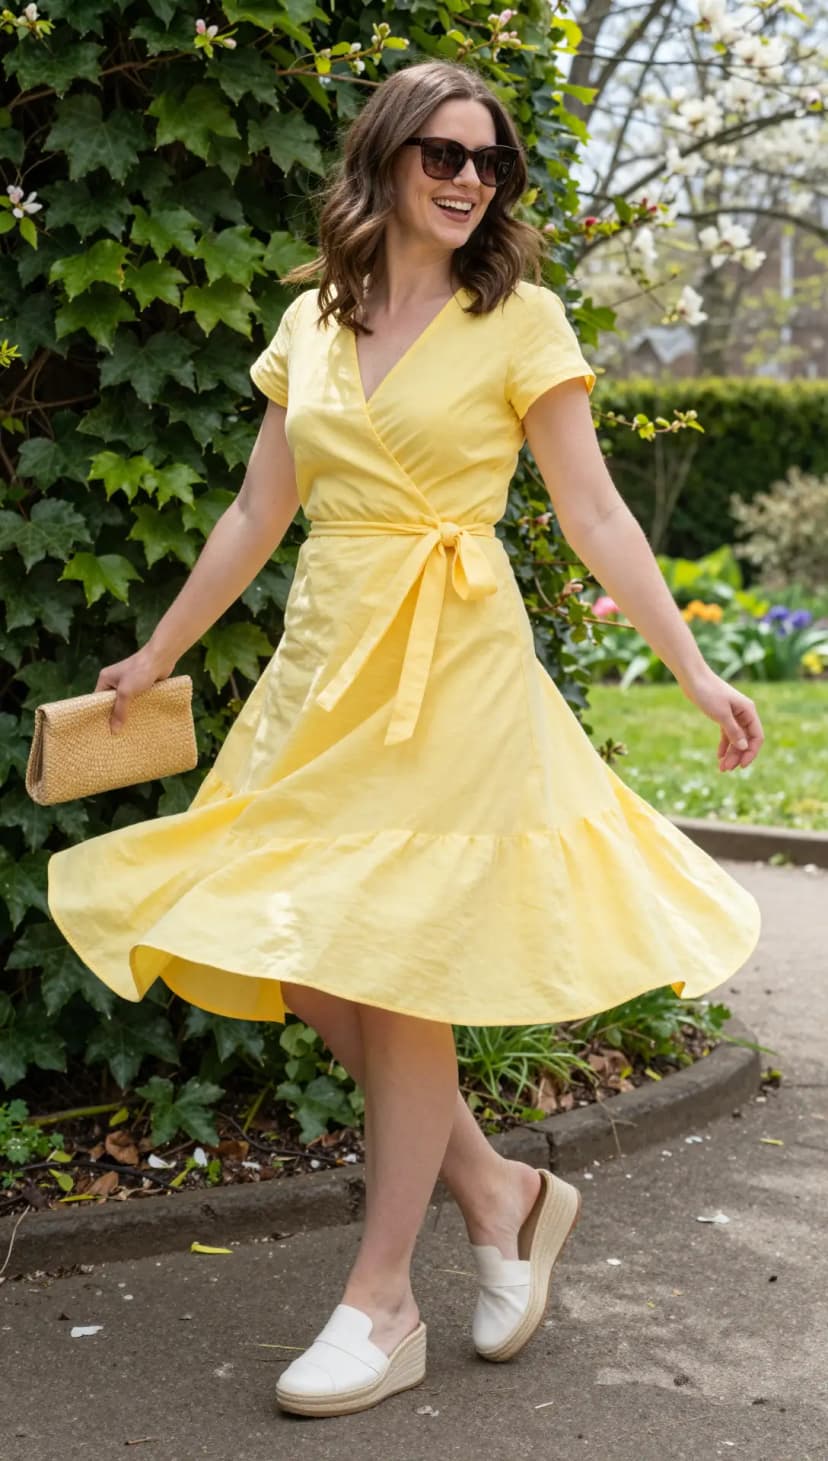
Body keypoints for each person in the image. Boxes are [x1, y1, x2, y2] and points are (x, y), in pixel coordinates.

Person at [47, 59, 763, 1419]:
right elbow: (256, 511)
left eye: (489, 162)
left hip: (459, 670)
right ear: (384, 158)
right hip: (328, 670)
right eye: (442, 152)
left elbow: (596, 514)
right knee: (300, 949)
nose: (468, 179)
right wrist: (161, 650)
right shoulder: (310, 321)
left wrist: (697, 664)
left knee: (398, 957)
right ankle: (502, 1191)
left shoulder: (522, 319)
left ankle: (382, 1302)